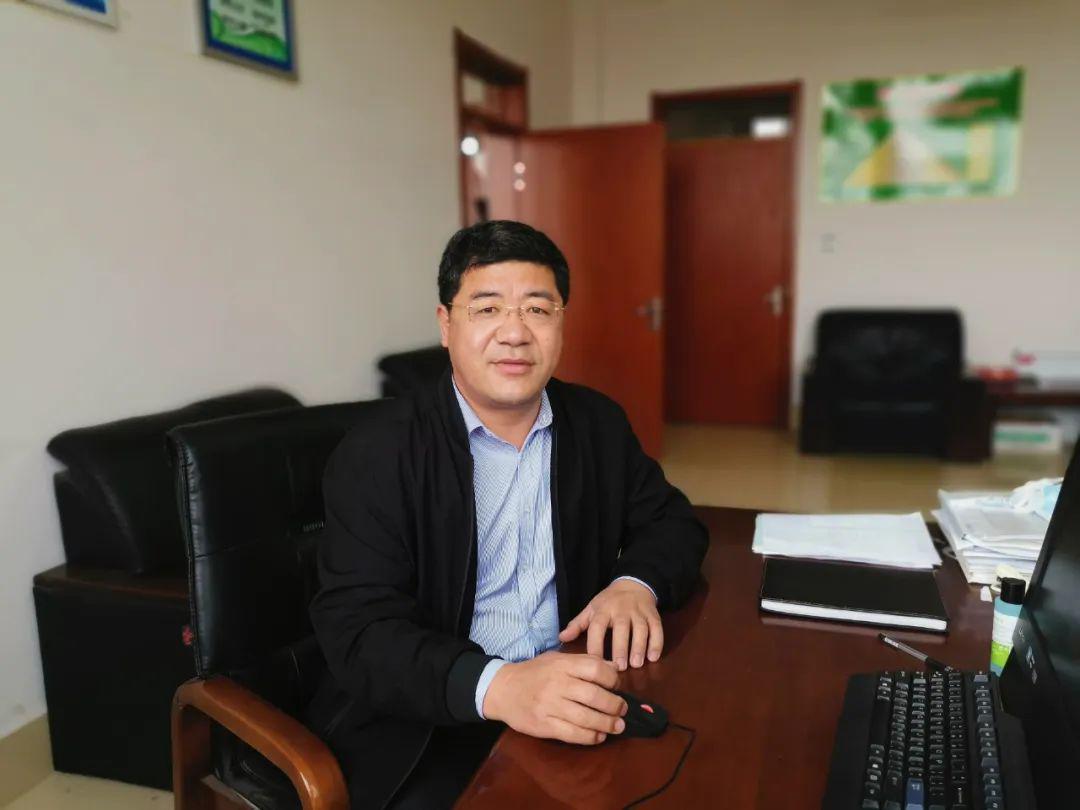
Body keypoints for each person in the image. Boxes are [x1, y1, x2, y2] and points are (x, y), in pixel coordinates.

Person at [307, 220, 708, 809]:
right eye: (487, 309)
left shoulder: (596, 424)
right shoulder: (377, 452)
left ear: (561, 322)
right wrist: (500, 686)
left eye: (538, 310)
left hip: (568, 682)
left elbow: (673, 522)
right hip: (427, 720)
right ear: (446, 325)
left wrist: (634, 583)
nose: (515, 333)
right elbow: (360, 631)